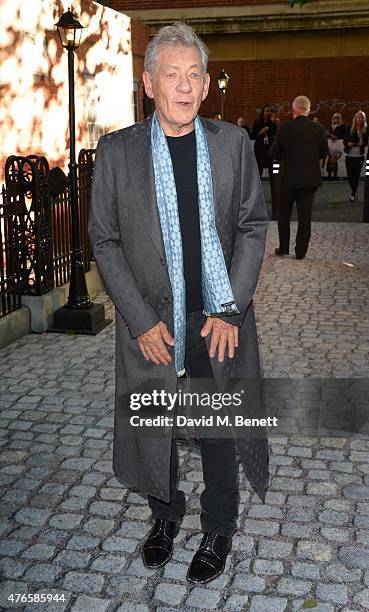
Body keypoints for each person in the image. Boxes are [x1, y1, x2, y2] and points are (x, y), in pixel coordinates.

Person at [88, 22, 269, 585]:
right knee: (156, 426)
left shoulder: (231, 144)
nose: (185, 86)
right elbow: (105, 239)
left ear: (208, 82)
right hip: (152, 319)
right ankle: (165, 516)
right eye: (172, 75)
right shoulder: (117, 153)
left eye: (195, 74)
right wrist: (139, 320)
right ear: (148, 84)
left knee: (216, 428)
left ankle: (218, 525)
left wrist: (230, 308)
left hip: (216, 314)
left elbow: (252, 227)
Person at [270, 95, 329, 260]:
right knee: (305, 216)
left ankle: (283, 247)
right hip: (309, 178)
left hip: (287, 177)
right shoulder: (318, 129)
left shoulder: (285, 128)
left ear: (293, 109)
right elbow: (324, 152)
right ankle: (301, 251)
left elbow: (274, 152)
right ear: (308, 110)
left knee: (284, 214)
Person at [251, 105, 278, 219]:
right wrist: (261, 132)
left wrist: (273, 123)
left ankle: (276, 202)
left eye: (269, 111)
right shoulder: (258, 122)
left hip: (270, 153)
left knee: (274, 178)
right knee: (258, 177)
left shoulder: (273, 123)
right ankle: (255, 202)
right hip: (260, 152)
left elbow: (276, 133)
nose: (267, 113)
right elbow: (253, 135)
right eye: (266, 110)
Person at [343, 110, 368, 202]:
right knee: (350, 176)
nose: (360, 119)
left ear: (364, 119)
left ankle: (353, 194)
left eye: (362, 118)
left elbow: (365, 142)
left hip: (359, 156)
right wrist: (349, 143)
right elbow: (345, 141)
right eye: (359, 117)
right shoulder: (349, 128)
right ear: (355, 118)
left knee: (356, 175)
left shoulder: (366, 129)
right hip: (349, 155)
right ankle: (354, 190)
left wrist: (362, 143)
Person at [326, 113, 346, 179]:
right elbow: (327, 135)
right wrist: (330, 137)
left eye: (337, 117)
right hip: (331, 145)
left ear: (340, 118)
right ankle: (329, 175)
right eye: (334, 117)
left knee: (337, 159)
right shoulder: (331, 126)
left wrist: (336, 137)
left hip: (339, 145)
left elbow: (343, 135)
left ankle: (337, 175)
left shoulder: (342, 126)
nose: (336, 119)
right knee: (330, 159)